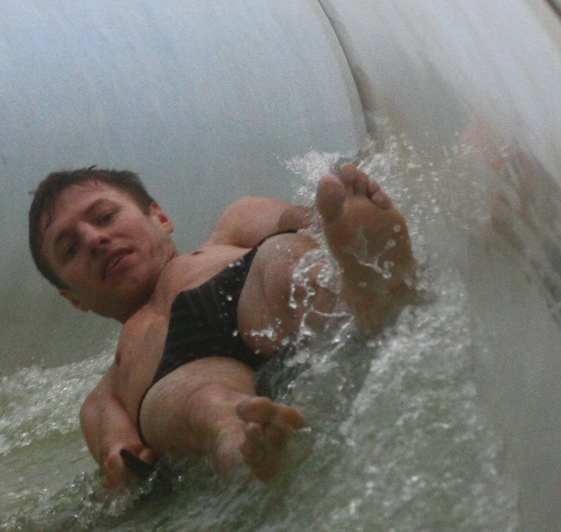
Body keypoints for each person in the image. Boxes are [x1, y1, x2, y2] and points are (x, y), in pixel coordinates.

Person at [28, 161, 417, 484]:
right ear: (73, 298)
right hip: (170, 372)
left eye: (105, 217)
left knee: (280, 259)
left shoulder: (233, 226)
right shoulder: (105, 395)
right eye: (70, 249)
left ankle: (363, 286)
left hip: (242, 287)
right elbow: (121, 457)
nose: (94, 239)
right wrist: (120, 460)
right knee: (202, 403)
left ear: (159, 216)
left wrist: (335, 215)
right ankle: (244, 443)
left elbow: (305, 219)